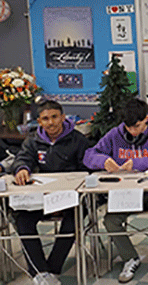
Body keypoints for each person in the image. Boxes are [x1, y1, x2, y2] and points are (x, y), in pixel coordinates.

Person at [83, 98, 148, 283]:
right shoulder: (114, 135)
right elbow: (89, 155)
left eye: (137, 126)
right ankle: (130, 257)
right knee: (110, 221)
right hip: (125, 192)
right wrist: (102, 161)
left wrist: (140, 163)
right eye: (129, 127)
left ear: (146, 119)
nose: (132, 131)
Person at [10, 100, 90, 284]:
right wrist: (21, 168)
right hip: (42, 197)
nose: (51, 122)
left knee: (74, 219)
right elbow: (22, 158)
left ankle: (52, 269)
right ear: (39, 121)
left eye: (55, 117)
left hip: (71, 197)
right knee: (22, 219)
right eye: (45, 119)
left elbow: (87, 169)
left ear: (63, 117)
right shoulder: (33, 141)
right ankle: (40, 272)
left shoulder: (78, 140)